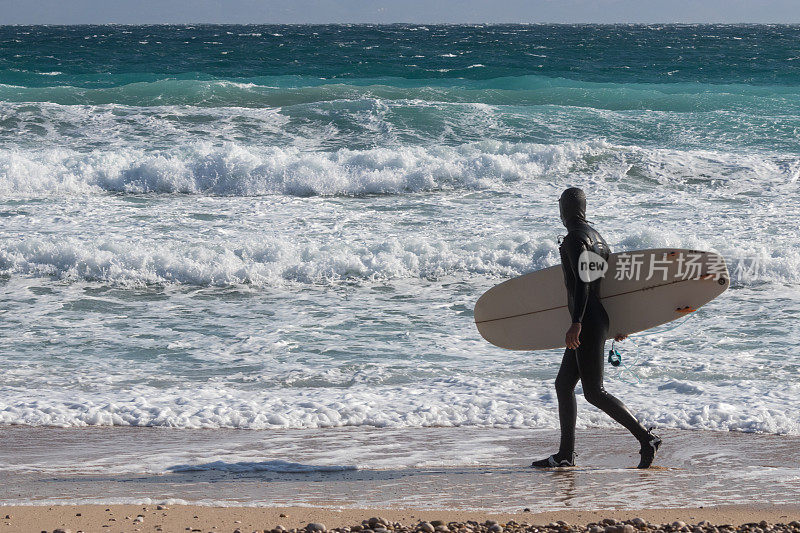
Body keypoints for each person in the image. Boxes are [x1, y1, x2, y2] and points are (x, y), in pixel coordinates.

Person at [530, 187, 661, 469]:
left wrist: (576, 323)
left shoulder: (575, 239)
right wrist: (617, 325)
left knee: (594, 392)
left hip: (586, 320)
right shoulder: (600, 240)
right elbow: (610, 288)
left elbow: (582, 283)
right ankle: (565, 455)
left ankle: (645, 437)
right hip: (596, 317)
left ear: (565, 209)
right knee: (563, 384)